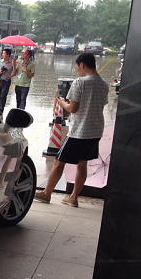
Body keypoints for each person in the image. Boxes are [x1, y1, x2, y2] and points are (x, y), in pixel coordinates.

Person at [34, 53, 109, 208]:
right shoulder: (104, 84)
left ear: (82, 65)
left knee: (58, 162)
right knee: (83, 164)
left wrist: (61, 101)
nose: (77, 70)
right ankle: (73, 197)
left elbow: (73, 108)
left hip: (79, 131)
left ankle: (46, 194)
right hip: (95, 131)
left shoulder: (80, 82)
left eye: (77, 67)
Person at [0, 48, 14, 116]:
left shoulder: (11, 63)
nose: (2, 54)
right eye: (2, 53)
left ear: (8, 55)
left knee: (3, 95)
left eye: (4, 53)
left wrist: (14, 66)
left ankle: (1, 109)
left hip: (6, 82)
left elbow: (15, 72)